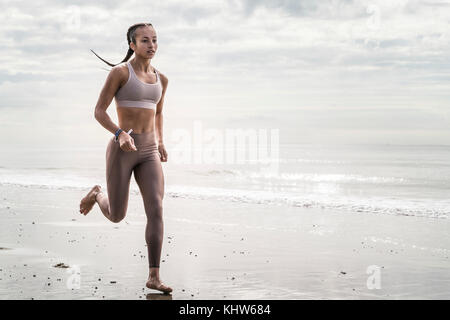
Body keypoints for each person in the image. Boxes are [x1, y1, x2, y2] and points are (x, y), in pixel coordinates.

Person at [79, 22, 172, 294]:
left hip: (150, 151)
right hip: (123, 150)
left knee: (156, 207)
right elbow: (99, 111)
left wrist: (162, 141)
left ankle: (154, 276)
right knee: (117, 215)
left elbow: (158, 114)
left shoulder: (161, 79)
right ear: (132, 44)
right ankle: (97, 194)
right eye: (144, 40)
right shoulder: (120, 73)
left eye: (154, 40)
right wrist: (119, 133)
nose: (151, 45)